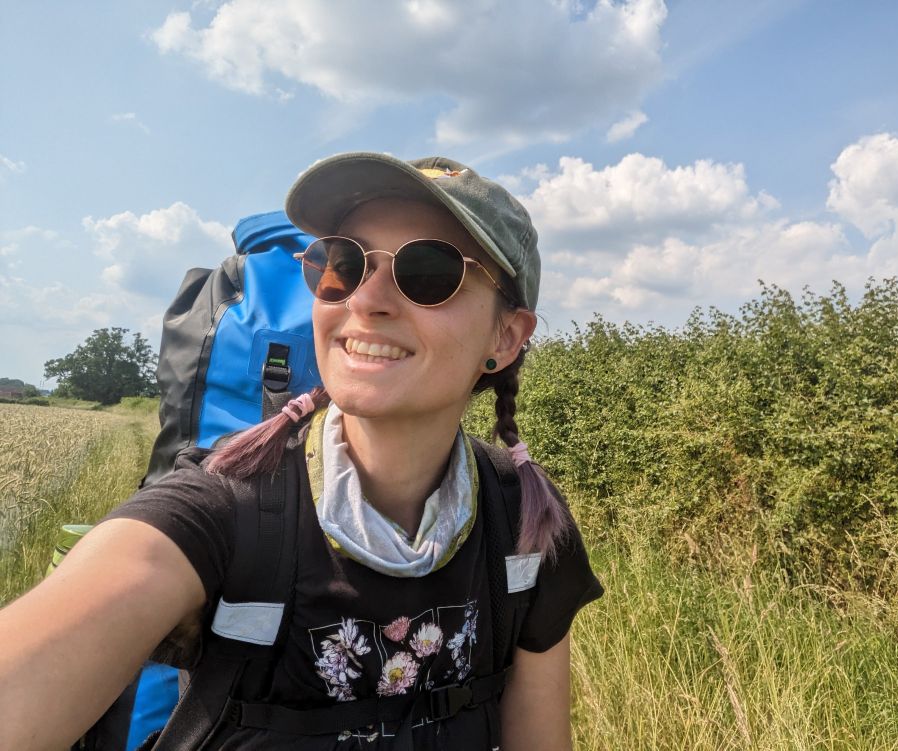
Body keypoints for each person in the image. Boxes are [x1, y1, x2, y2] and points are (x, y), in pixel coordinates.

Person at [0, 153, 603, 750]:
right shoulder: (221, 510)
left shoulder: (525, 520)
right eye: (343, 264)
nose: (366, 301)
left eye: (427, 272)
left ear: (506, 336)